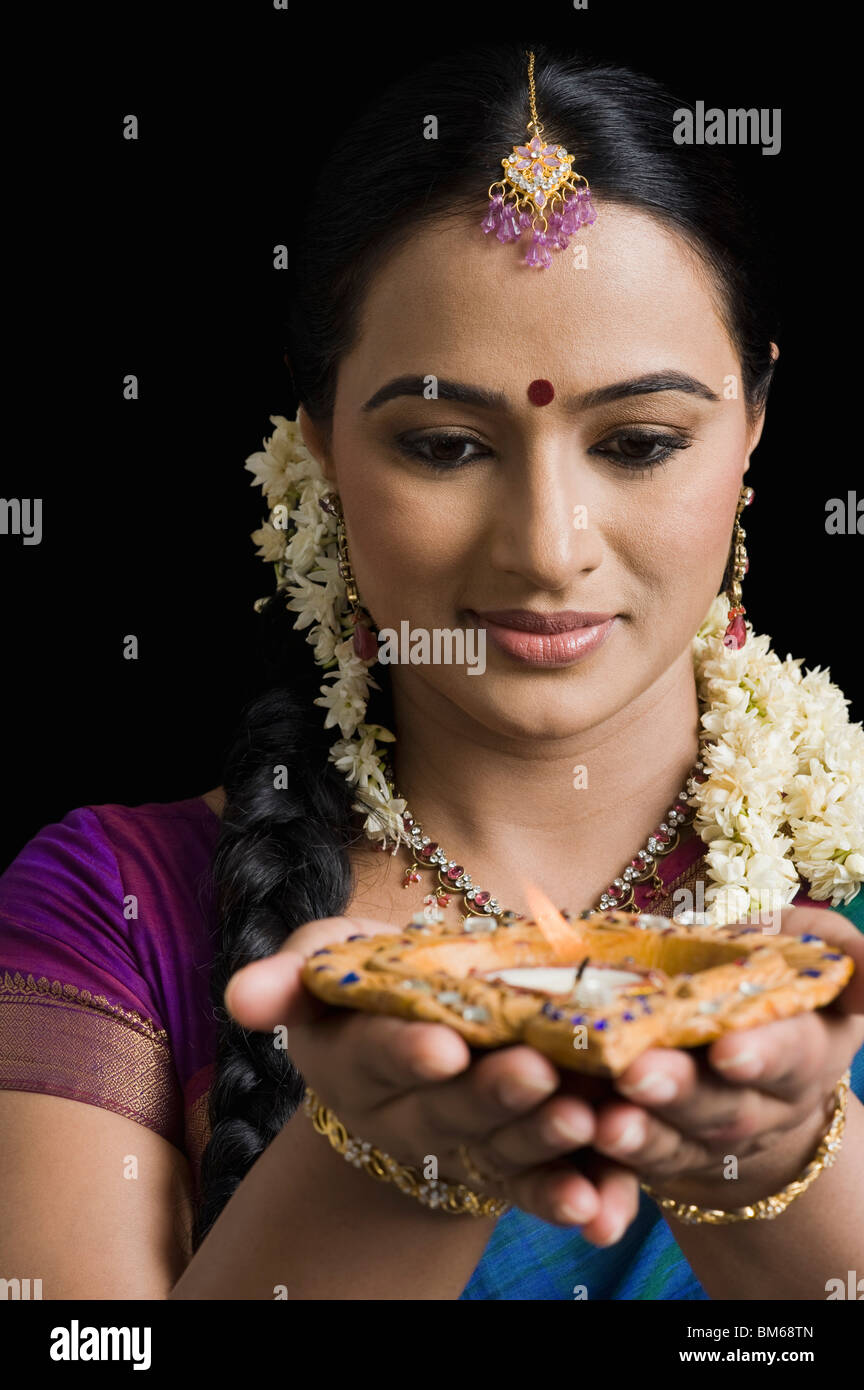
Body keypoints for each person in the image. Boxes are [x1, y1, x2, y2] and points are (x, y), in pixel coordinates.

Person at [1, 41, 863, 1302]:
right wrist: (384, 1159)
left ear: (754, 430)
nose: (547, 545)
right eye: (447, 445)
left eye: (637, 441)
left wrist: (775, 1165)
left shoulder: (836, 906)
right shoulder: (114, 913)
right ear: (322, 445)